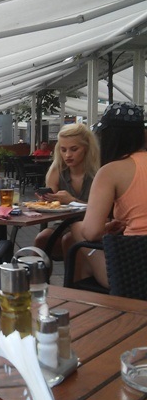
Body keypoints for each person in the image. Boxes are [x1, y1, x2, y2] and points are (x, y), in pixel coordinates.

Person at [69, 102, 147, 288]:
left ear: (109, 136)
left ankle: (80, 297)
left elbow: (91, 232)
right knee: (83, 262)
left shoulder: (111, 171)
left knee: (77, 228)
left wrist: (105, 229)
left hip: (136, 271)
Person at [34, 123, 100, 258]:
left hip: (95, 224)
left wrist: (72, 201)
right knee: (41, 239)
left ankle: (73, 273)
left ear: (87, 148)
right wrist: (46, 201)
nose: (68, 155)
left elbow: (104, 211)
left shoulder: (99, 172)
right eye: (63, 150)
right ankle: (38, 272)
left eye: (74, 149)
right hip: (65, 223)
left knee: (68, 240)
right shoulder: (57, 170)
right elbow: (52, 203)